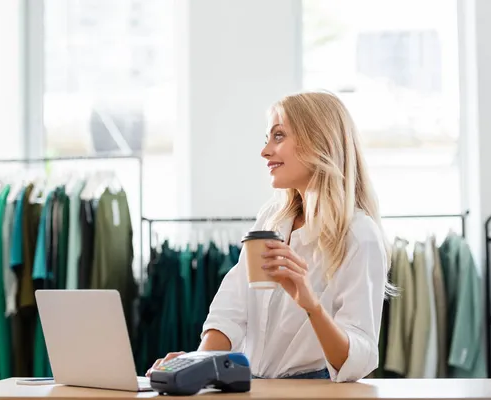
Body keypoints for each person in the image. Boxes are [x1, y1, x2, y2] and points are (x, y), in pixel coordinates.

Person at [147, 90, 391, 382]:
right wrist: (198, 364)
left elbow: (360, 357)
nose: (265, 152)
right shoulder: (272, 219)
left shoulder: (359, 234)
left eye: (278, 136)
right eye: (267, 139)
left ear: (318, 140)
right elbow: (232, 308)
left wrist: (311, 305)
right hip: (256, 387)